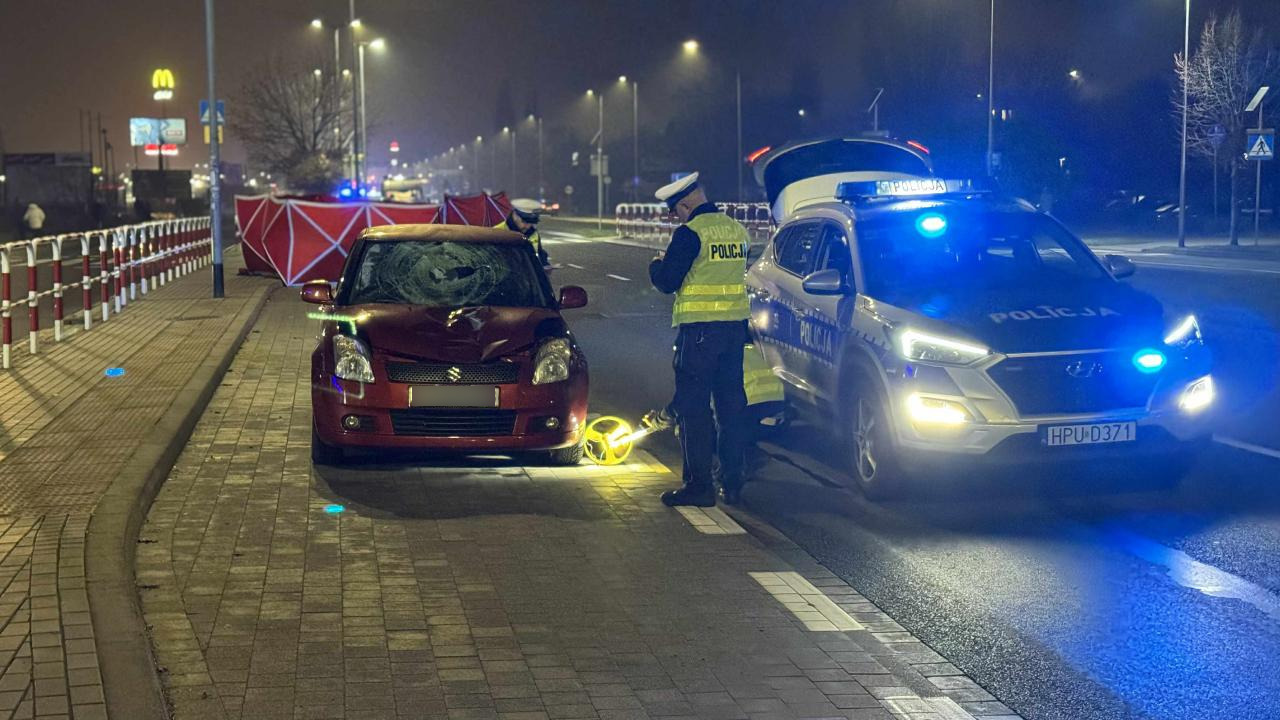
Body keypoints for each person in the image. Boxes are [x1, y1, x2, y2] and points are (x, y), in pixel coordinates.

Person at [649, 172, 751, 507]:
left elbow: (667, 282)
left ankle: (699, 487)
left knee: (694, 410)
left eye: (675, 211)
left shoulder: (690, 233)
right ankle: (733, 481)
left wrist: (656, 265)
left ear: (684, 205)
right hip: (734, 332)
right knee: (731, 407)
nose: (676, 218)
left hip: (699, 335)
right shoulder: (737, 230)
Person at [496, 198, 549, 267]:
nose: (527, 226)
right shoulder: (497, 232)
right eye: (524, 221)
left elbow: (539, 254)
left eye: (531, 222)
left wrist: (544, 264)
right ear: (515, 215)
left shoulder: (533, 233)